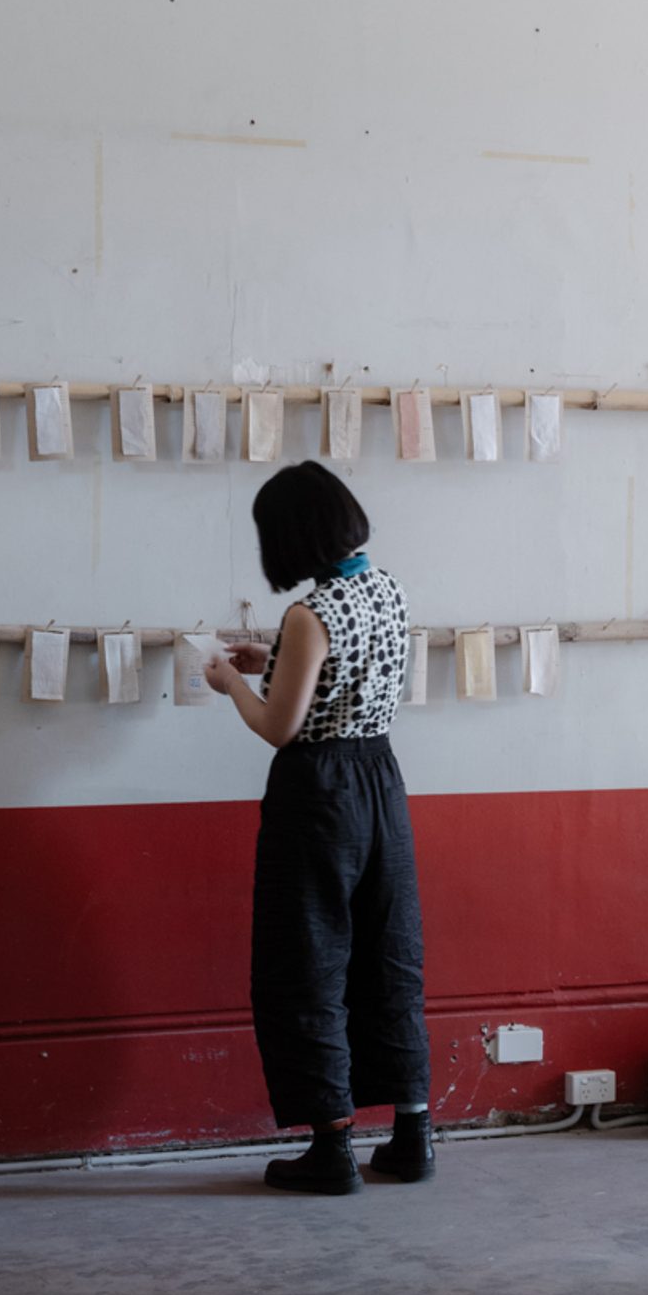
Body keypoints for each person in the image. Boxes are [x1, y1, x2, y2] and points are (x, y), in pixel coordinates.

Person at [206, 459, 435, 1196]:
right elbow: (344, 678)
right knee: (388, 951)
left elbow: (280, 726)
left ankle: (332, 1147)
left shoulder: (311, 613)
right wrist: (269, 660)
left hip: (319, 793)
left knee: (307, 957)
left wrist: (233, 680)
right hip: (381, 782)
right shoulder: (385, 587)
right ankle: (412, 1134)